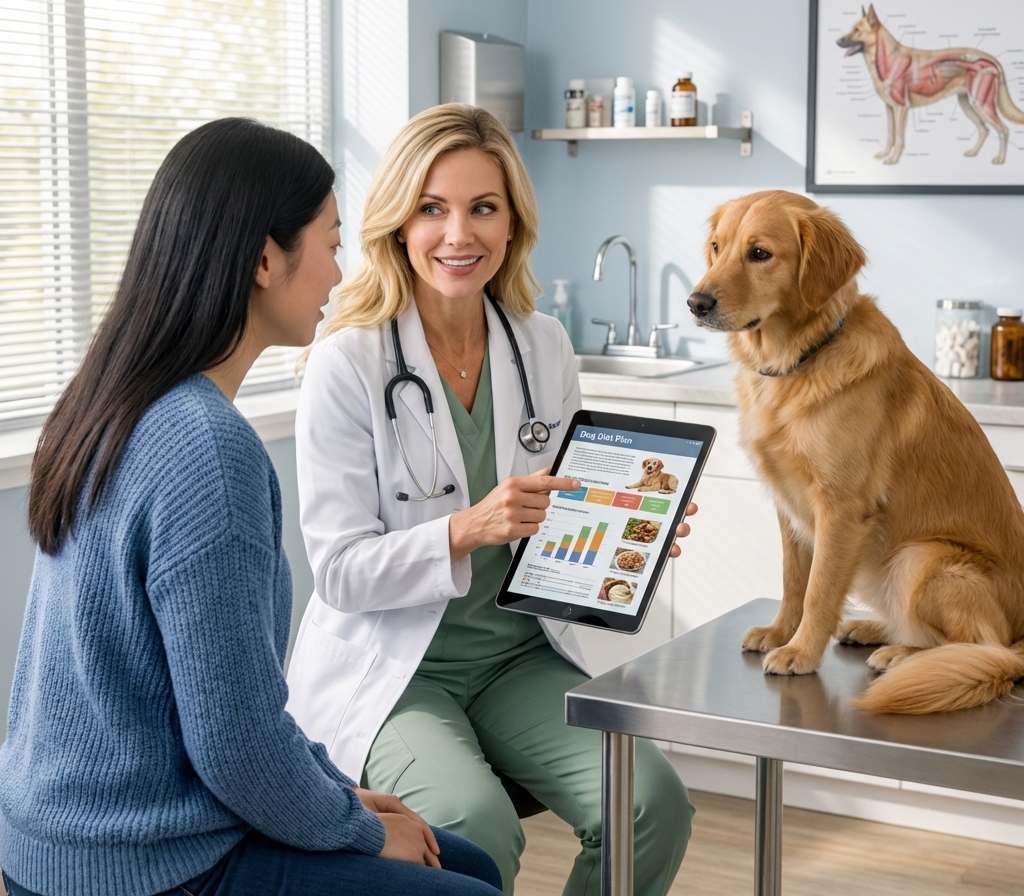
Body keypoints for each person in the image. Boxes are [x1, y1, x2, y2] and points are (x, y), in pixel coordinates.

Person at [0, 119, 503, 896]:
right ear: (268, 258)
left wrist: (334, 795)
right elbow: (233, 742)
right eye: (332, 243)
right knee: (467, 885)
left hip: (52, 838)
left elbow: (231, 712)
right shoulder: (209, 449)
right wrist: (357, 827)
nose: (340, 273)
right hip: (145, 861)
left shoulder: (110, 402)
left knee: (465, 858)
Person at [285, 104, 696, 896]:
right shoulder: (349, 362)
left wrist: (629, 534)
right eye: (433, 209)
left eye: (483, 208)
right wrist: (466, 529)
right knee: (472, 826)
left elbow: (565, 514)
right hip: (399, 669)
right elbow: (339, 572)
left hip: (518, 656)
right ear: (400, 223)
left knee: (653, 802)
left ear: (513, 224)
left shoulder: (540, 344)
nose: (458, 235)